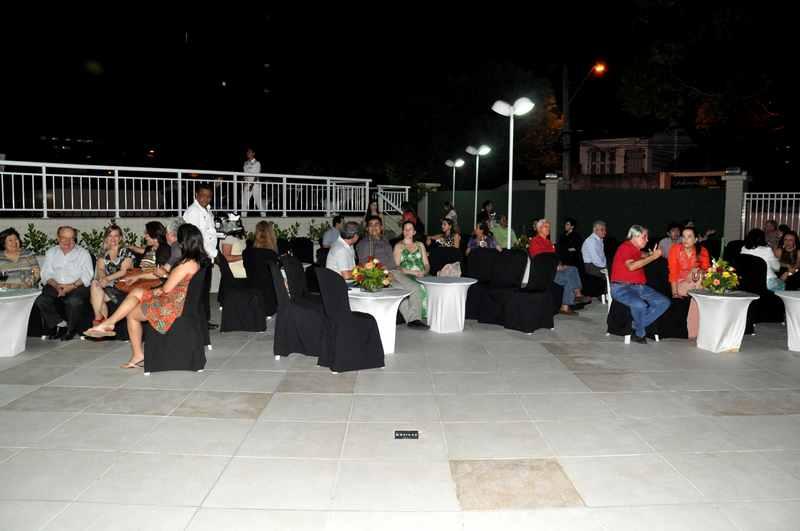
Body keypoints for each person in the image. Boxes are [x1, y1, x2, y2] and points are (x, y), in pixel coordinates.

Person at [84, 224, 210, 368]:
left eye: (178, 239)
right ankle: (110, 324)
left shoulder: (185, 264)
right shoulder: (197, 260)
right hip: (179, 299)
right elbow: (178, 283)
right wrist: (162, 282)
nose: (176, 243)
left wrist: (162, 280)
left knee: (132, 314)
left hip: (172, 305)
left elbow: (167, 288)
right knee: (136, 292)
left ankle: (131, 347)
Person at [358, 216, 428, 328]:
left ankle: (415, 319)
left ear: (381, 227)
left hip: (395, 271)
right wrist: (383, 271)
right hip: (380, 274)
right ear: (367, 229)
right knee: (400, 290)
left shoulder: (384, 240)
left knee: (415, 288)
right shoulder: (365, 243)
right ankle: (412, 319)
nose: (374, 227)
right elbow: (365, 264)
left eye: (377, 224)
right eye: (371, 225)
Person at [609, 225, 670, 343]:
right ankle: (639, 333)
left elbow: (642, 254)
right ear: (634, 236)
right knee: (640, 305)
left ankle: (637, 325)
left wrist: (650, 254)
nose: (647, 240)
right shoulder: (625, 247)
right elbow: (631, 266)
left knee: (664, 302)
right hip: (621, 288)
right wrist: (653, 257)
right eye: (644, 237)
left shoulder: (635, 250)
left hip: (639, 287)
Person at [35, 226, 94, 341]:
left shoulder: (83, 253)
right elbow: (46, 274)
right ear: (58, 238)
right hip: (55, 285)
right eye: (64, 238)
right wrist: (57, 286)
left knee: (73, 301)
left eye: (71, 238)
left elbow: (87, 275)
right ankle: (59, 323)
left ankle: (70, 330)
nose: (68, 242)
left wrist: (71, 286)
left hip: (77, 286)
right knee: (41, 300)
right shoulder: (51, 252)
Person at [528, 219, 590, 315]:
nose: (548, 229)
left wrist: (560, 264)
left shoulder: (548, 242)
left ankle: (576, 295)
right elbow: (540, 260)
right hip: (545, 271)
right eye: (546, 227)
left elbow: (555, 257)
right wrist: (555, 267)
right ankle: (568, 303)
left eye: (549, 227)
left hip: (554, 269)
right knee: (568, 276)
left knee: (573, 269)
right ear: (539, 229)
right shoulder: (535, 241)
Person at [183, 182, 219, 328]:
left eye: (209, 196)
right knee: (198, 290)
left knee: (204, 290)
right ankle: (199, 321)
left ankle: (204, 320)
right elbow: (197, 238)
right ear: (196, 195)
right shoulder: (193, 212)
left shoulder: (206, 211)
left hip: (206, 255)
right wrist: (213, 254)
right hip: (199, 255)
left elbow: (209, 234)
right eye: (203, 195)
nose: (206, 198)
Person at [667, 226, 711, 339]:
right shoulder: (675, 249)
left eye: (689, 237)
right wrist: (674, 293)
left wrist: (696, 271)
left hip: (697, 283)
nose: (685, 239)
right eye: (683, 236)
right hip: (680, 284)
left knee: (698, 280)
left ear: (696, 239)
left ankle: (694, 333)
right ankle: (696, 332)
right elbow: (673, 273)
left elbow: (707, 271)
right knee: (699, 290)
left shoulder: (702, 251)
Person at [89, 225, 135, 325]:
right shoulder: (103, 252)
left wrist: (106, 279)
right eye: (110, 236)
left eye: (116, 236)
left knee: (96, 297)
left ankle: (98, 321)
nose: (113, 239)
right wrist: (103, 279)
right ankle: (102, 322)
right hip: (108, 284)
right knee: (95, 285)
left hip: (123, 285)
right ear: (106, 238)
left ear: (120, 238)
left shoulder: (126, 251)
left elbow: (123, 271)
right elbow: (101, 269)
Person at [393, 221, 429, 322]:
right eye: (405, 229)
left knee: (433, 286)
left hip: (422, 274)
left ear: (414, 232)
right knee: (420, 287)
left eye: (410, 229)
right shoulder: (399, 246)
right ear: (403, 231)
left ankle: (430, 315)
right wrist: (413, 272)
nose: (407, 231)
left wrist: (424, 272)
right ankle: (417, 318)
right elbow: (396, 267)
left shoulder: (420, 245)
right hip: (406, 274)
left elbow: (426, 264)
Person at [241, 147, 265, 217]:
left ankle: (263, 215)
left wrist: (252, 185)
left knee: (258, 201)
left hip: (255, 184)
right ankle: (243, 216)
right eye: (247, 152)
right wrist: (244, 183)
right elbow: (244, 175)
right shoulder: (245, 163)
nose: (248, 153)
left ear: (253, 153)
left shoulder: (257, 163)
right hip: (247, 184)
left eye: (249, 152)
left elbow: (257, 175)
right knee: (244, 201)